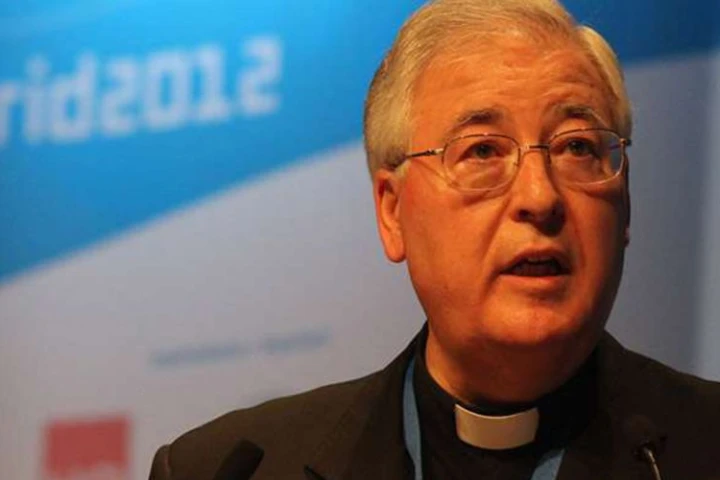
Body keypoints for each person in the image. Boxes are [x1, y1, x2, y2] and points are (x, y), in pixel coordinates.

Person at [149, 1, 720, 478]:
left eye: (577, 147)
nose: (540, 197)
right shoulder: (227, 469)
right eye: (483, 150)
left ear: (625, 205)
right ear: (392, 211)